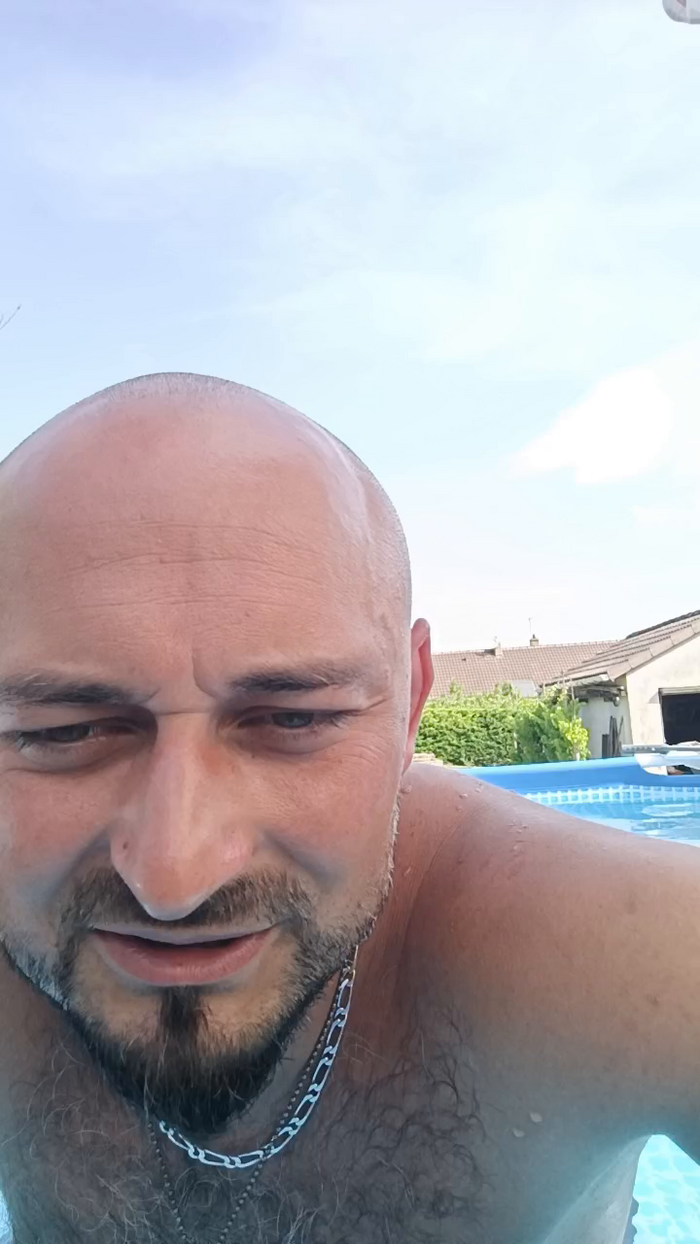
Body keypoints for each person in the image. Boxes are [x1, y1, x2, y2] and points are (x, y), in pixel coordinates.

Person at [0, 373, 695, 1244]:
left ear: (409, 711)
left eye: (294, 720)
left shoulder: (613, 958)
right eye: (64, 731)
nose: (173, 880)